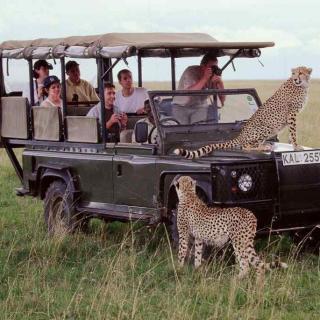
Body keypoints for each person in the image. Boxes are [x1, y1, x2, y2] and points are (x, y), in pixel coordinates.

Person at [173, 52, 225, 124]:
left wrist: (220, 83)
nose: (213, 69)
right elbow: (189, 93)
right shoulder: (191, 71)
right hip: (181, 106)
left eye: (215, 67)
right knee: (182, 132)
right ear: (203, 66)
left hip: (200, 107)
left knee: (199, 130)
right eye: (211, 67)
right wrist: (205, 78)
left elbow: (222, 102)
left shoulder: (213, 75)